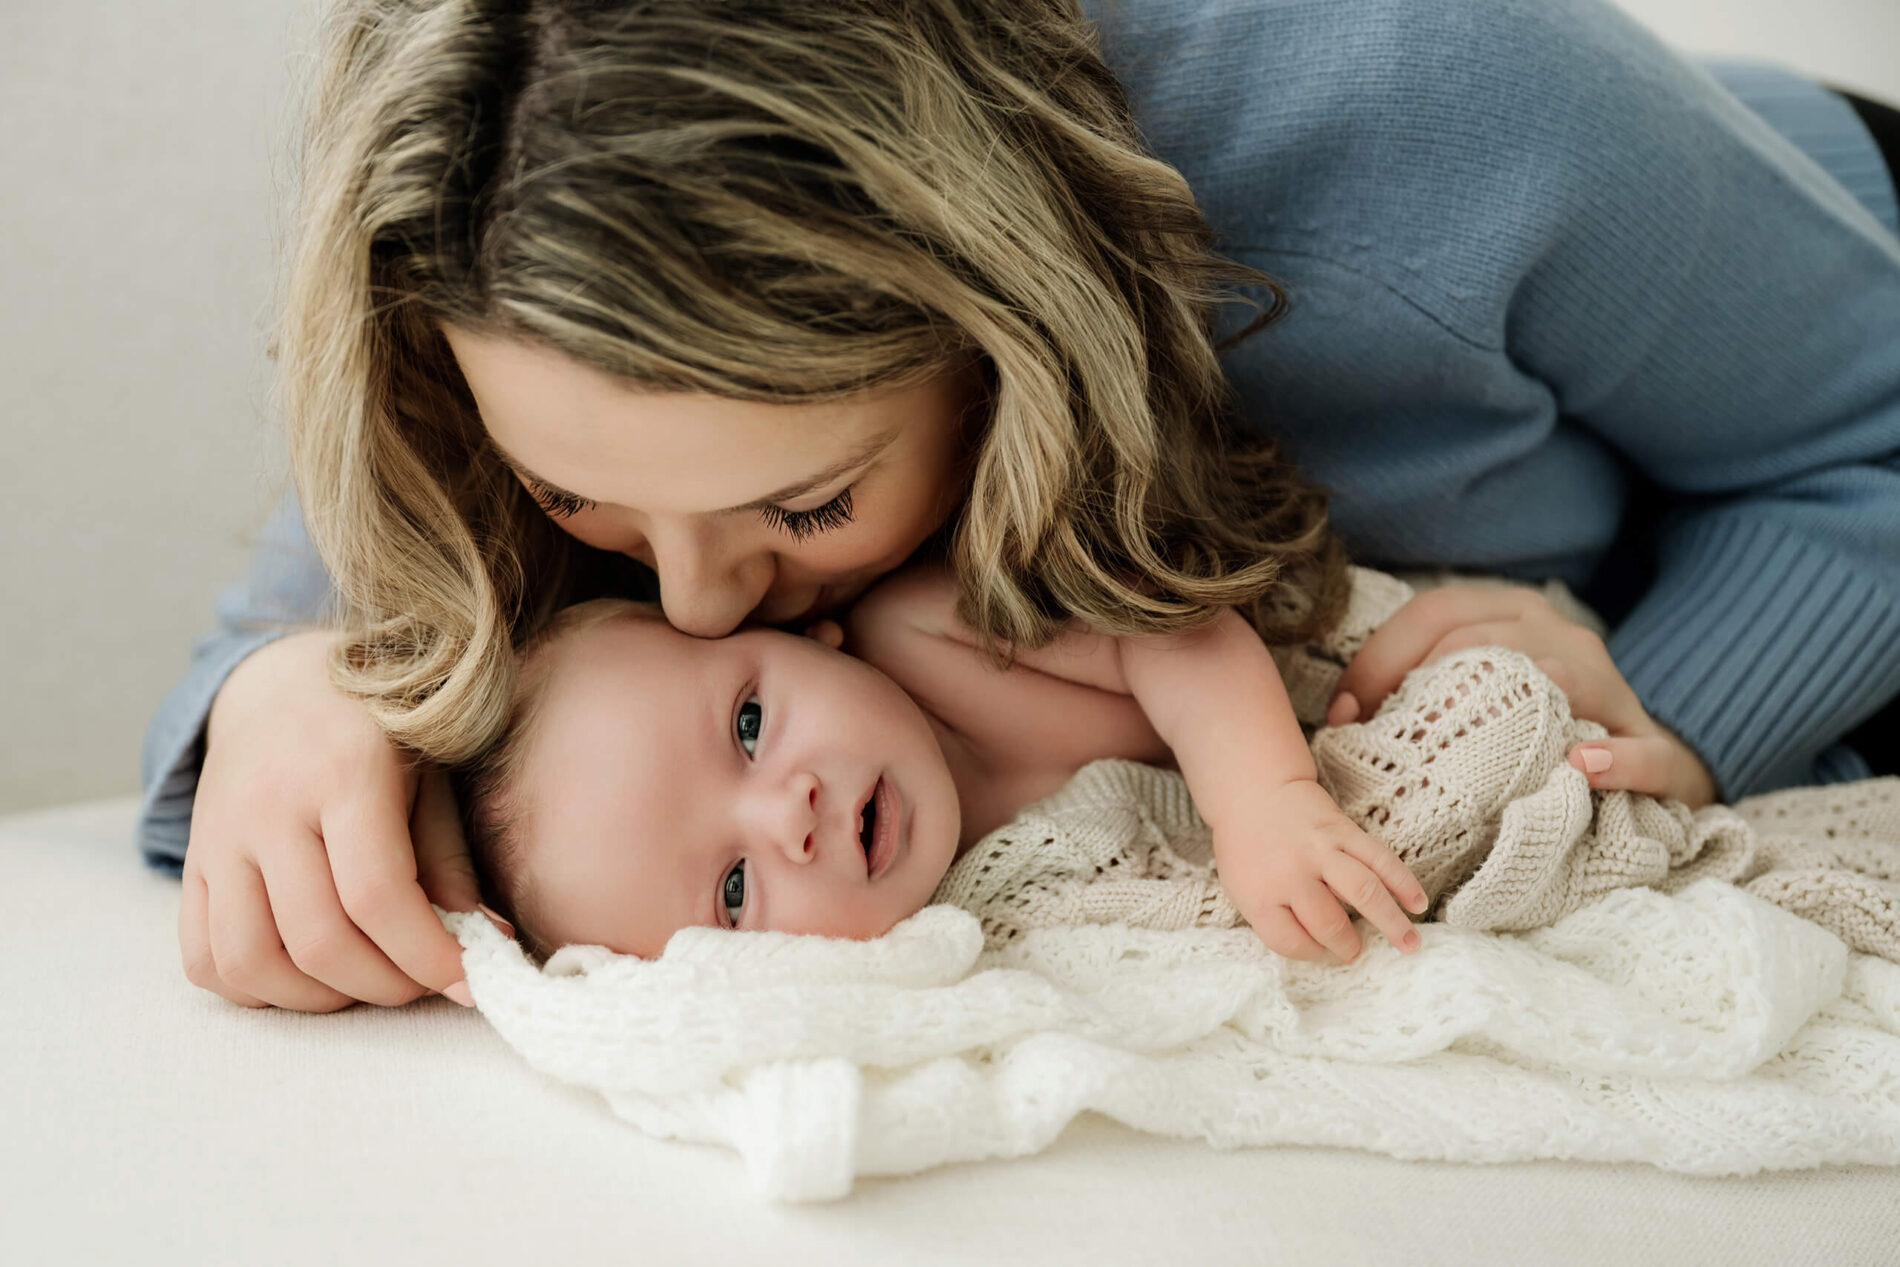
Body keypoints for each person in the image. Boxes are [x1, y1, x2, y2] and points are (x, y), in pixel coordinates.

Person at [140, 0, 1900, 1013]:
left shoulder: (1454, 101)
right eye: (568, 497)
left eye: (807, 497)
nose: (696, 614)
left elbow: (1865, 450)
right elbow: (262, 663)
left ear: (1003, 330)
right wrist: (297, 694)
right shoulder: (514, 212)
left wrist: (1655, 714)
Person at [449, 566, 1431, 964]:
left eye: (749, 727)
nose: (786, 814)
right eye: (736, 889)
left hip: (1327, 688)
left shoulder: (922, 629)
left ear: (807, 634)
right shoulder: (934, 936)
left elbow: (1174, 631)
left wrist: (1262, 799)